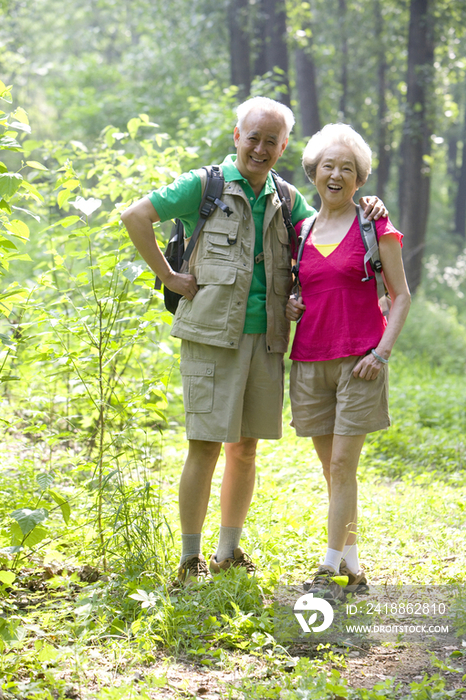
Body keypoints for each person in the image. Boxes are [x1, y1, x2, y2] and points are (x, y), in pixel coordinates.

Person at [121, 98, 387, 585]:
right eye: (253, 137)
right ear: (237, 134)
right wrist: (169, 275)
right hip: (210, 336)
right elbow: (136, 215)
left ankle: (228, 550)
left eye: (272, 141)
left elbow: (333, 220)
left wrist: (370, 204)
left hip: (266, 340)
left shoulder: (286, 198)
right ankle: (189, 558)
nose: (260, 148)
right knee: (204, 445)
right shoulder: (206, 185)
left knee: (245, 449)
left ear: (284, 146)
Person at [286, 123, 411, 601]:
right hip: (309, 361)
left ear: (360, 179)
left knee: (342, 464)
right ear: (313, 173)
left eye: (347, 168)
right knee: (334, 471)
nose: (335, 174)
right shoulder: (300, 232)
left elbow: (400, 297)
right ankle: (354, 566)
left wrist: (382, 353)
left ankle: (329, 570)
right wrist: (292, 304)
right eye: (327, 167)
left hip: (360, 360)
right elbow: (299, 292)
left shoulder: (375, 225)